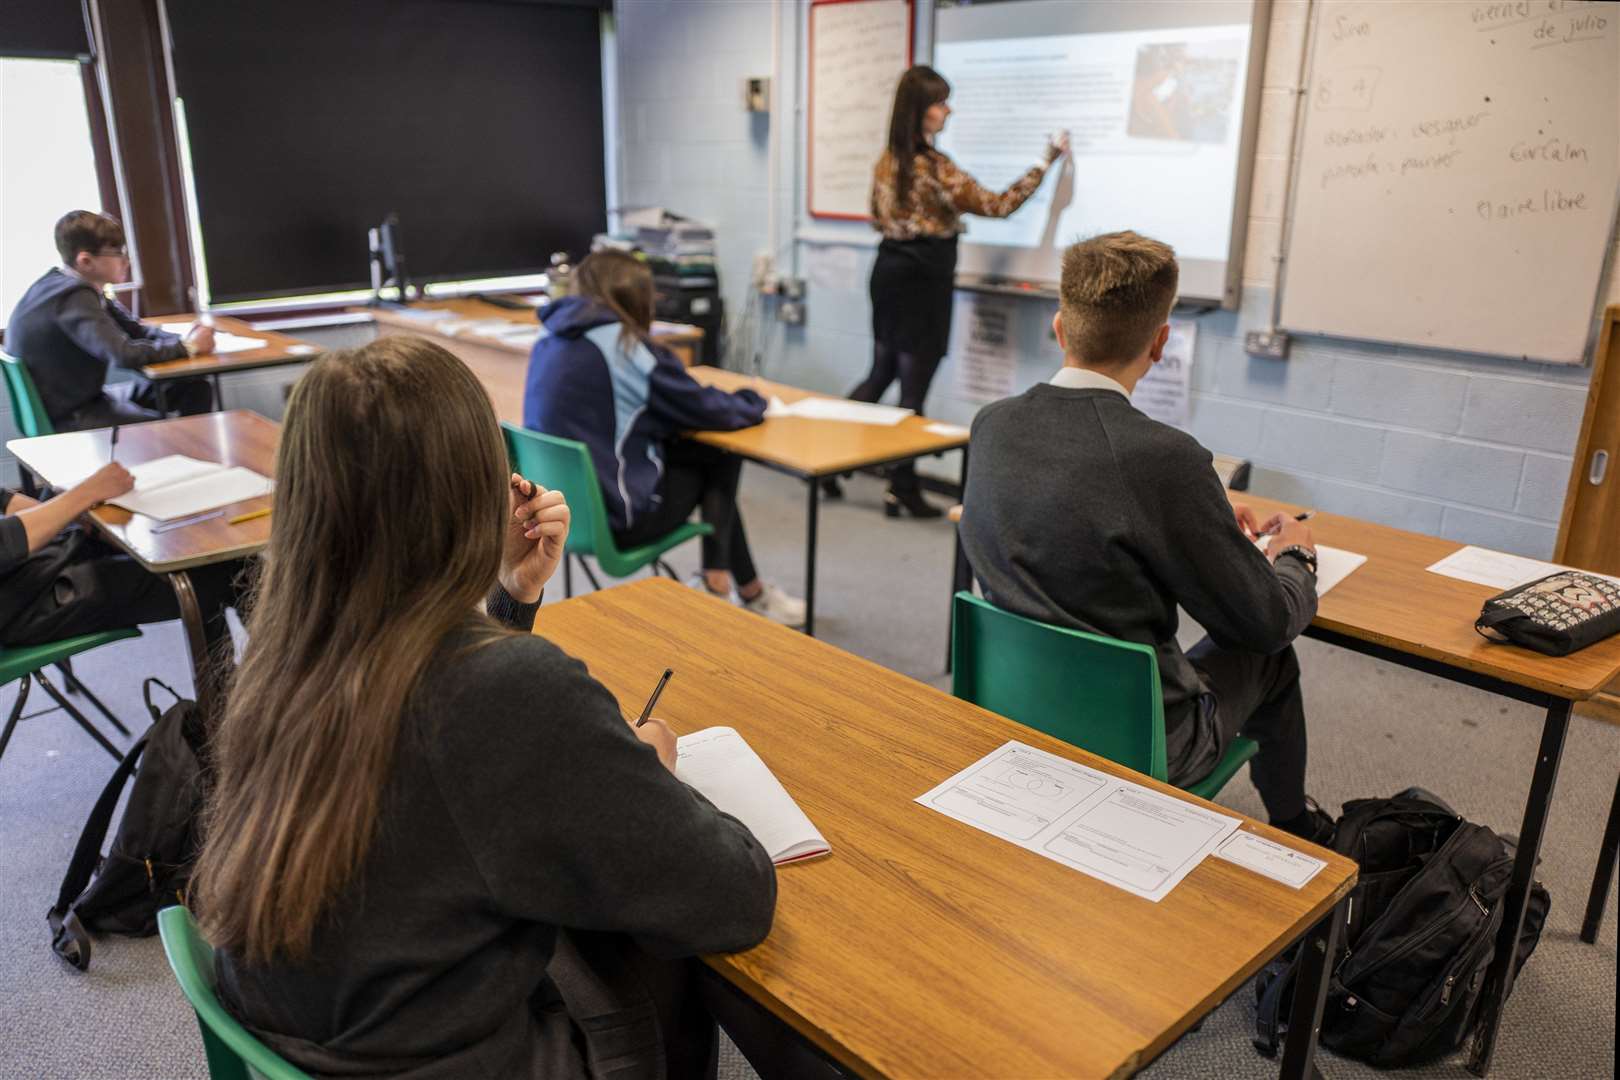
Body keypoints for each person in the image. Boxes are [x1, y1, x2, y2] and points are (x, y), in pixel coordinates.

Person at [193, 336, 824, 1079]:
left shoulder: (287, 650)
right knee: (670, 943)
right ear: (471, 493)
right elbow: (732, 894)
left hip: (344, 1030)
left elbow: (434, 743)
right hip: (456, 1055)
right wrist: (653, 772)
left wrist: (509, 603)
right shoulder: (512, 692)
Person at [958, 231, 1333, 844]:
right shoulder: (1166, 460)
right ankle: (1299, 828)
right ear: (1160, 344)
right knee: (1272, 658)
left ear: (1059, 327)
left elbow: (1081, 501)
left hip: (1012, 713)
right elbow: (1262, 622)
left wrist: (1204, 509)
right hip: (1138, 744)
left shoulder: (992, 426)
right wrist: (1296, 558)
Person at [832, 64, 1069, 518]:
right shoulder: (935, 167)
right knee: (913, 387)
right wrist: (1045, 162)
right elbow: (998, 205)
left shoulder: (887, 160)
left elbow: (875, 217)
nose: (948, 110)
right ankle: (901, 486)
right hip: (923, 281)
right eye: (941, 103)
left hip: (889, 273)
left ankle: (828, 458)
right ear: (921, 112)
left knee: (882, 371)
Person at [524, 250, 806, 627]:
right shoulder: (626, 347)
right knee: (718, 452)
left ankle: (740, 587)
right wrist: (754, 400)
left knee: (698, 453)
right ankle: (720, 583)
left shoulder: (551, 335)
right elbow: (707, 409)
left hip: (558, 513)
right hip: (618, 522)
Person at [1, 463, 246, 663]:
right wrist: (86, 493)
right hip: (26, 602)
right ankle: (250, 700)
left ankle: (241, 691)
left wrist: (70, 515)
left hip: (31, 565)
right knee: (226, 573)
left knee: (193, 551)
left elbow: (5, 502)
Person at [5, 210, 214, 432]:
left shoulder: (68, 285)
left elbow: (135, 330)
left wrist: (185, 340)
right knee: (166, 432)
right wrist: (188, 347)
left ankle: (193, 457)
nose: (127, 261)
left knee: (194, 386)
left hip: (82, 400)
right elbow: (122, 354)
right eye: (117, 253)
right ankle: (188, 453)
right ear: (85, 260)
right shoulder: (73, 296)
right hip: (74, 414)